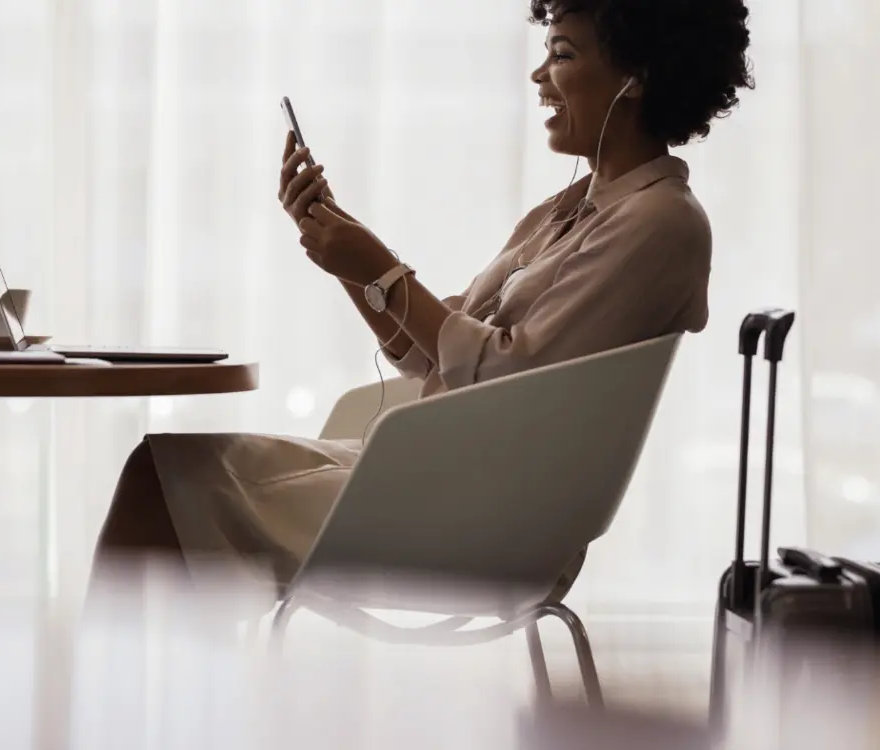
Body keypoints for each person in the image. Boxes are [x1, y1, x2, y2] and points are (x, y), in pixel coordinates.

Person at [93, 0, 755, 594]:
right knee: (165, 469)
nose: (539, 78)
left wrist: (377, 266)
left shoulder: (660, 222)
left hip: (486, 508)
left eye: (561, 54)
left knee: (166, 480)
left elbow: (502, 376)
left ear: (635, 76)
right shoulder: (568, 210)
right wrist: (347, 255)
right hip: (431, 472)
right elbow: (429, 353)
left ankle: (100, 716)